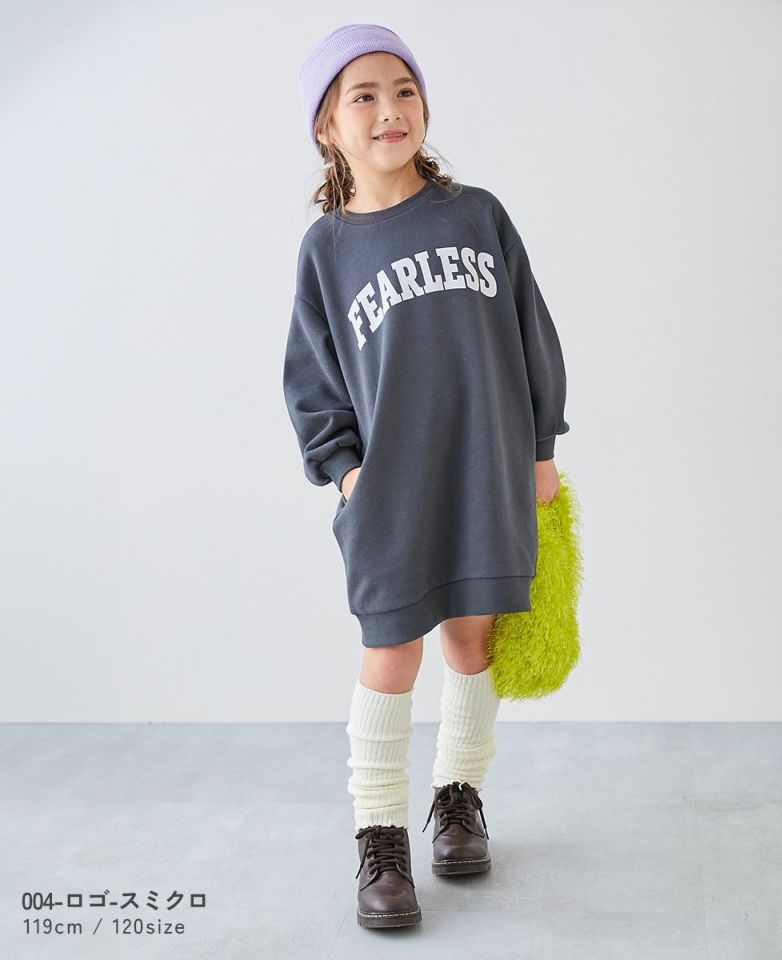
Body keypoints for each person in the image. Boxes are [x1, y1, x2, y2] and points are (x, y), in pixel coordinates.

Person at [283, 23, 571, 929]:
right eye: (363, 96)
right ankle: (380, 840)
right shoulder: (328, 250)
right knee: (391, 650)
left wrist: (541, 449)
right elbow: (313, 379)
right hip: (392, 490)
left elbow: (531, 330)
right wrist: (348, 476)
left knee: (472, 639)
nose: (388, 109)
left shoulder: (476, 214)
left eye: (403, 89)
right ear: (328, 126)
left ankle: (457, 800)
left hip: (487, 465)